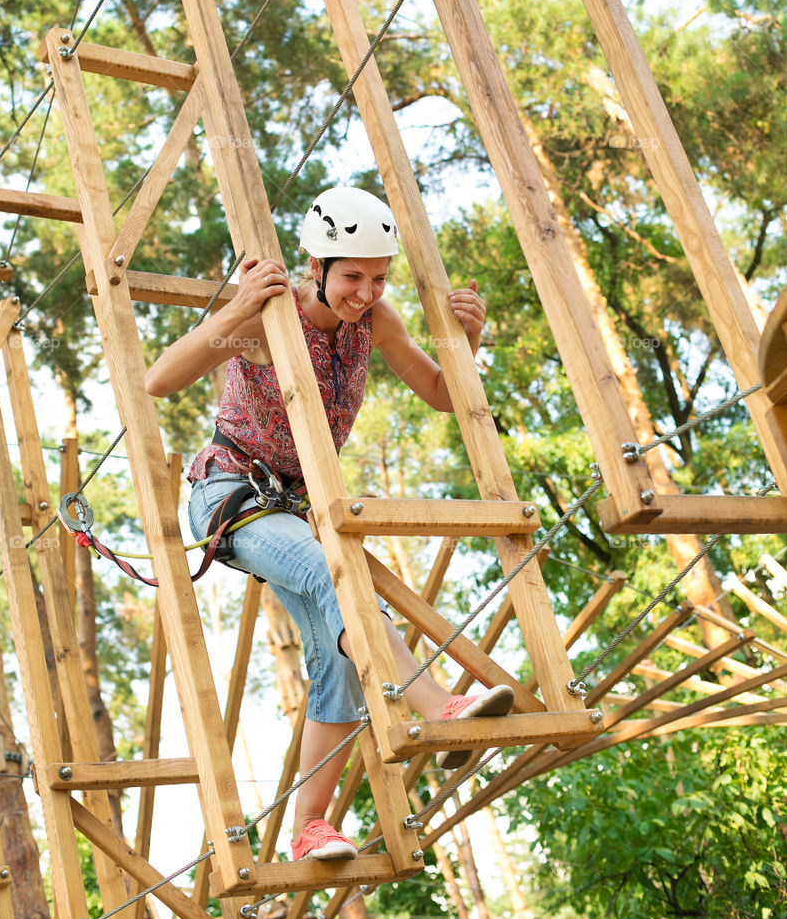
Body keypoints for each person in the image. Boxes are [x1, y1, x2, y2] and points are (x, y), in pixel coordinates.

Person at [145, 186, 513, 862]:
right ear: (316, 265)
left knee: (335, 654)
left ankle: (308, 826)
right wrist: (233, 310)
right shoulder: (268, 317)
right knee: (329, 573)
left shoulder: (377, 323)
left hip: (295, 507)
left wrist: (467, 340)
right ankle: (435, 703)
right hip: (231, 494)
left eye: (377, 278)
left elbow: (437, 393)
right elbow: (160, 379)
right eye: (351, 276)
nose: (365, 291)